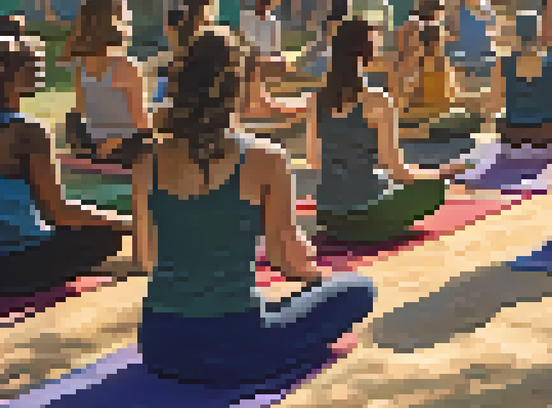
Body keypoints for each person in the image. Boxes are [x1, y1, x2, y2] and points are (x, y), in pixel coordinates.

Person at [134, 26, 377, 386]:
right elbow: (285, 260)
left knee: (276, 304)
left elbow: (148, 258)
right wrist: (322, 282)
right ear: (240, 87)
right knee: (358, 289)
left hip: (160, 345)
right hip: (236, 347)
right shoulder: (266, 158)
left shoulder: (147, 161)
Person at [304, 18, 468, 244]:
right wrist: (439, 173)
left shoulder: (316, 100)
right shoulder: (378, 101)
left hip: (328, 213)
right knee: (436, 189)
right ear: (367, 53)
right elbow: (397, 170)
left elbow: (314, 160)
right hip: (369, 213)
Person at [0, 35, 132, 297]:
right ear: (9, 75)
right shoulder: (27, 132)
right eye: (32, 64)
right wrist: (126, 223)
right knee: (107, 237)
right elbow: (58, 213)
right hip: (12, 266)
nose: (40, 68)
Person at [62, 0, 153, 169]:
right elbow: (141, 123)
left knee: (73, 116)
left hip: (94, 148)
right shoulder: (127, 66)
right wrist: (113, 142)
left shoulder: (80, 68)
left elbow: (82, 113)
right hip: (125, 150)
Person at [490, 12, 552, 149]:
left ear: (516, 35)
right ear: (538, 35)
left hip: (514, 133)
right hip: (546, 133)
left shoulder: (502, 64)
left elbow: (495, 103)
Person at [448, 0, 498, 86]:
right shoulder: (456, 13)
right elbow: (452, 39)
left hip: (483, 57)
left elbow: (493, 37)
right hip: (463, 57)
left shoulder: (488, 11)